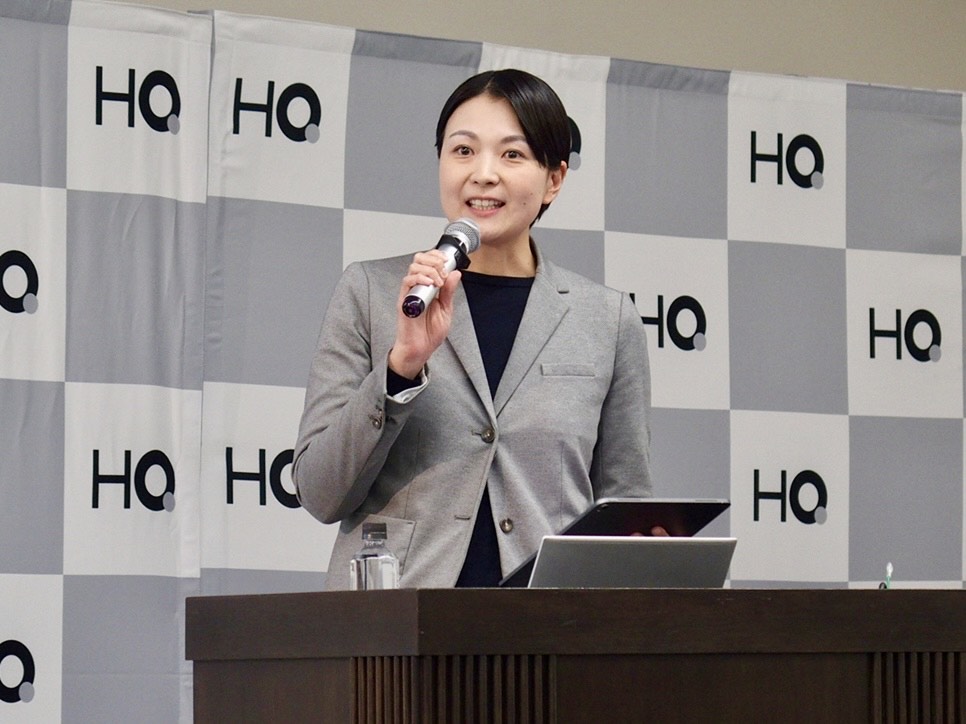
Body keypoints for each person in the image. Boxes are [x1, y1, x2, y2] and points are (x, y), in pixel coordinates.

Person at [292, 68, 653, 589]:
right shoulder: (371, 292)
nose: (483, 174)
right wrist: (400, 369)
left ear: (554, 179)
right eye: (463, 151)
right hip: (401, 620)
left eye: (512, 154)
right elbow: (320, 493)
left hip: (548, 622)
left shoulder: (607, 319)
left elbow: (626, 508)